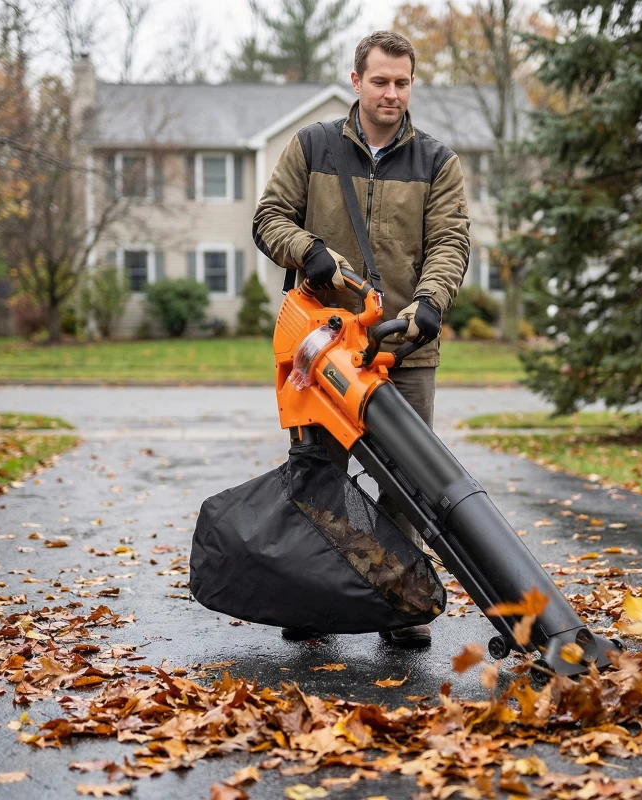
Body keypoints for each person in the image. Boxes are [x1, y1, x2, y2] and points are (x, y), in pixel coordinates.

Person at [253, 30, 471, 647]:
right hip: (325, 353)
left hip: (405, 351)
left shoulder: (437, 161)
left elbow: (451, 242)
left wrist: (430, 303)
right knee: (318, 474)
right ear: (356, 81)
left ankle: (394, 605)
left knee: (407, 484)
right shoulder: (312, 146)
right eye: (381, 81)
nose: (392, 93)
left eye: (402, 82)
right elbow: (269, 218)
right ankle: (314, 601)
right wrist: (308, 252)